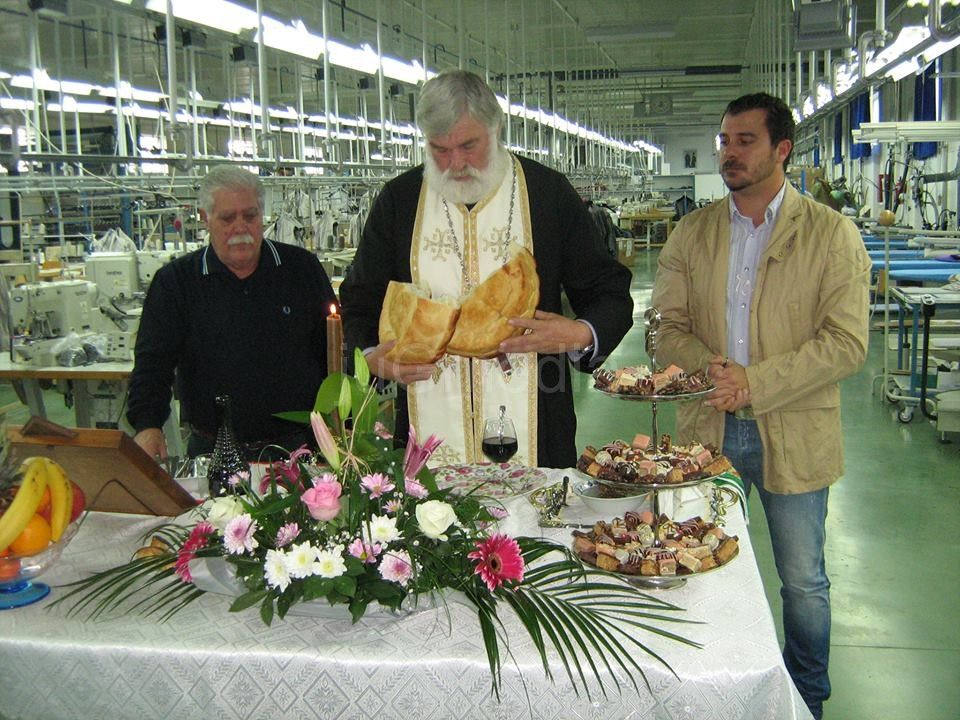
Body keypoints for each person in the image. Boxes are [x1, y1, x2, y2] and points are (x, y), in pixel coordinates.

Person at [650, 92, 870, 720]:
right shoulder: (693, 233)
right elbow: (669, 325)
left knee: (803, 583)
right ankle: (712, 693)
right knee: (695, 566)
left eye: (745, 140)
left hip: (793, 429)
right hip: (707, 429)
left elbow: (846, 343)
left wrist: (756, 381)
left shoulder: (831, 235)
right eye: (724, 140)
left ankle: (805, 703)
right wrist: (710, 368)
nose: (729, 153)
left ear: (781, 149)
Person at [339, 69, 633, 469]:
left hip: (537, 415)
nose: (455, 162)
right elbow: (359, 300)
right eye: (439, 149)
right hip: (428, 422)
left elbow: (608, 289)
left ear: (496, 129)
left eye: (468, 145)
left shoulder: (547, 194)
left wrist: (580, 332)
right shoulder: (400, 201)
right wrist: (372, 359)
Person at [127, 165, 339, 460]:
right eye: (227, 218)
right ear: (205, 219)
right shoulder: (176, 282)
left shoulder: (301, 270)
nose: (240, 227)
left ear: (262, 216)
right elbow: (153, 362)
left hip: (298, 449)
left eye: (250, 216)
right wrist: (147, 424)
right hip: (212, 451)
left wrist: (346, 419)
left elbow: (332, 352)